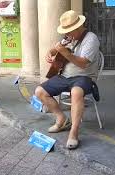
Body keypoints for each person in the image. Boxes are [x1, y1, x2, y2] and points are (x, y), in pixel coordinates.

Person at [35, 10, 100, 149]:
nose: (67, 34)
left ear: (77, 27)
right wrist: (50, 53)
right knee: (39, 91)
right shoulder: (69, 38)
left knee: (76, 92)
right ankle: (62, 119)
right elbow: (55, 50)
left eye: (69, 31)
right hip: (64, 75)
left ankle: (74, 132)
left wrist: (65, 53)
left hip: (84, 76)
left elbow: (83, 63)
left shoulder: (91, 38)